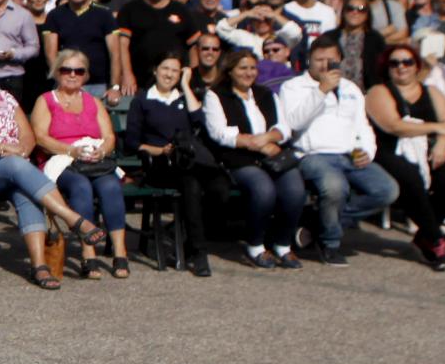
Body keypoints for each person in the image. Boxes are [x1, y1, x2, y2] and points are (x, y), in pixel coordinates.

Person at [0, 44, 98, 291]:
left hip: (14, 167)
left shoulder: (6, 98)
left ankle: (38, 266)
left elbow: (28, 137)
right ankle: (72, 218)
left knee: (25, 189)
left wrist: (20, 150)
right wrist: (5, 149)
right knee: (16, 165)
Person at [276, 35, 399, 265]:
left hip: (349, 154)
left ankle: (317, 223)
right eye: (319, 60)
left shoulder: (350, 88)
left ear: (340, 60)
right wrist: (321, 90)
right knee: (335, 188)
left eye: (330, 60)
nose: (324, 65)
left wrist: (367, 150)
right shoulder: (293, 87)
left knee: (387, 190)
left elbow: (362, 125)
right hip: (312, 155)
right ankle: (330, 242)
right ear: (308, 61)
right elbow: (293, 123)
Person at [121, 52, 223, 277]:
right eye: (165, 68)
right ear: (155, 70)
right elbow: (132, 142)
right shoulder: (143, 100)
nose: (169, 74)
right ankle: (199, 252)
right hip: (160, 164)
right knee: (191, 184)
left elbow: (199, 121)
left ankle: (189, 240)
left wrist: (186, 86)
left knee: (219, 187)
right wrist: (159, 150)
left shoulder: (182, 97)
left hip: (189, 162)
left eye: (175, 71)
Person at [204, 49, 306, 270]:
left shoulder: (266, 94)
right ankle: (256, 244)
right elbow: (220, 133)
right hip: (238, 158)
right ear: (230, 70)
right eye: (243, 68)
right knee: (263, 189)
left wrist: (267, 138)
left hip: (271, 154)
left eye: (252, 68)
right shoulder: (216, 95)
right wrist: (255, 143)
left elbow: (283, 127)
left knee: (295, 189)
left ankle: (282, 243)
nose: (248, 73)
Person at [32, 49, 130, 278]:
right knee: (80, 186)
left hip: (93, 160)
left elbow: (109, 137)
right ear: (57, 72)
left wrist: (101, 151)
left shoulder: (93, 101)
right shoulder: (46, 101)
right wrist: (70, 150)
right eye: (67, 69)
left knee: (111, 186)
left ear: (86, 75)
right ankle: (89, 253)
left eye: (79, 70)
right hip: (60, 160)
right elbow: (40, 137)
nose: (73, 74)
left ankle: (120, 252)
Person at [365, 47, 445, 271]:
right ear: (387, 67)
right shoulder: (378, 92)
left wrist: (441, 143)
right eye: (395, 63)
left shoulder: (432, 92)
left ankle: (424, 235)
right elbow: (394, 125)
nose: (402, 67)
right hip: (392, 149)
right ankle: (436, 239)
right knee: (410, 178)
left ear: (417, 66)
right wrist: (436, 127)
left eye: (407, 62)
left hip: (432, 147)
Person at [44, 0, 128, 107]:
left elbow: (115, 53)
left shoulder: (104, 15)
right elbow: (50, 54)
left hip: (98, 85)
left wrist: (114, 87)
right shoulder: (54, 16)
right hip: (65, 84)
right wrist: (61, 81)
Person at [123, 0, 202, 89]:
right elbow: (122, 46)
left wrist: (192, 77)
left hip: (175, 83)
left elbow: (193, 47)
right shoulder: (129, 10)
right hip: (139, 83)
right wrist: (127, 75)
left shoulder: (182, 10)